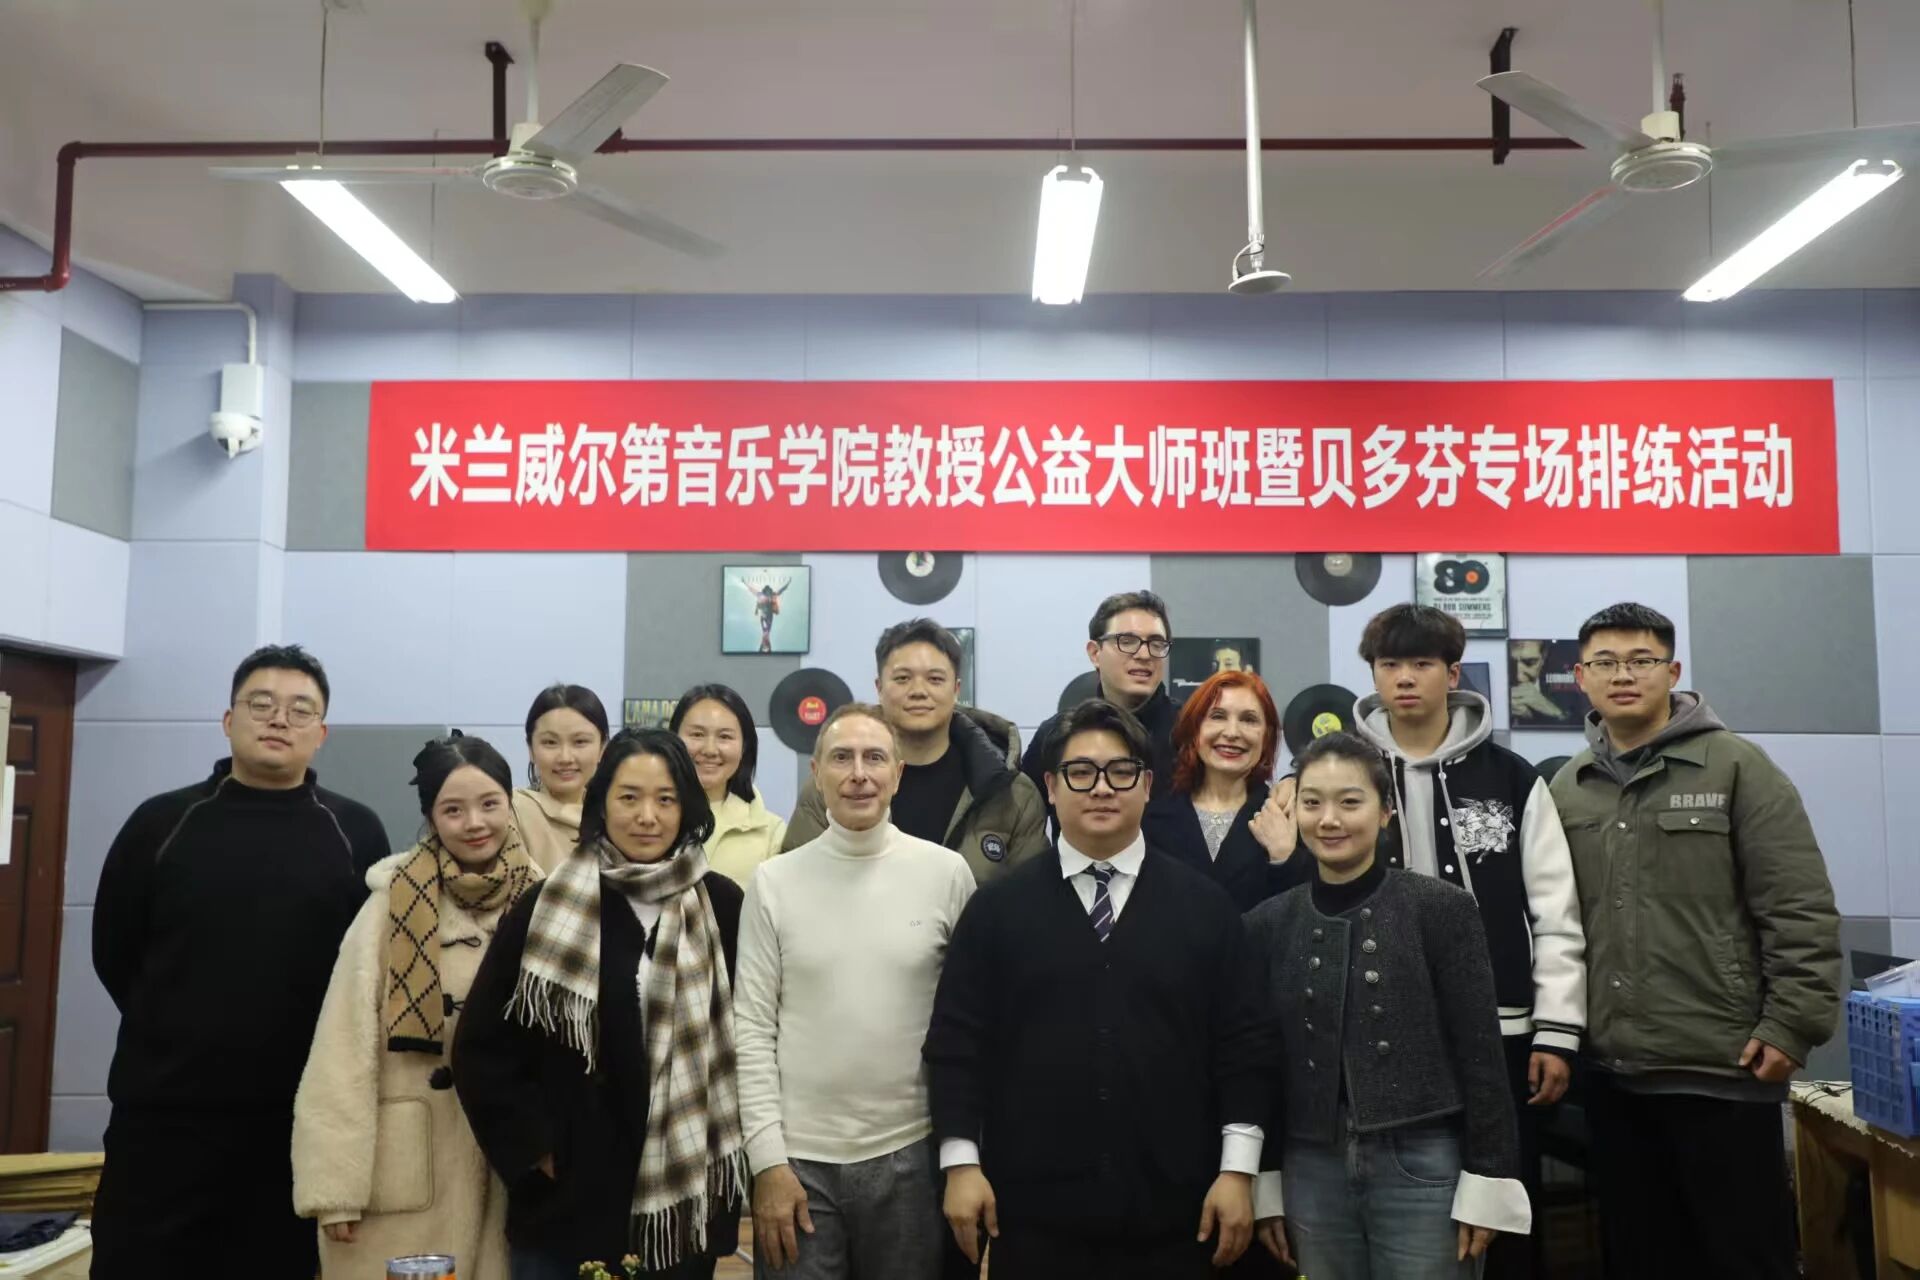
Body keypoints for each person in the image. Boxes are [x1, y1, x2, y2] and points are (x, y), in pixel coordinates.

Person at [926, 699, 1267, 1280]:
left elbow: (1245, 1046)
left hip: (1178, 1215)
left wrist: (1238, 1172)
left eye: (1121, 771)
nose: (1102, 788)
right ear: (1051, 787)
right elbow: (957, 1045)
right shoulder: (997, 910)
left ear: (1148, 785)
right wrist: (961, 1164)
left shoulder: (1207, 909)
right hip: (1031, 1216)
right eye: (1081, 772)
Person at [1550, 602, 1841, 1280]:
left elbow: (1798, 905)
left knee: (1744, 1257)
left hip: (1725, 1067)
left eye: (1642, 660)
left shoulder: (1736, 767)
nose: (1624, 675)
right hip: (1614, 1076)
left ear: (1673, 671)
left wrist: (1792, 1024)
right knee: (1643, 1258)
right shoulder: (1569, 786)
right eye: (1605, 662)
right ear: (1581, 677)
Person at [89, 644, 392, 1279]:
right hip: (165, 1118)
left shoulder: (355, 832)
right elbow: (114, 951)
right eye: (262, 704)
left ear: (321, 733)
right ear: (229, 720)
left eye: (300, 709)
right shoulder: (161, 823)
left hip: (292, 1123)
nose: (279, 719)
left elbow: (366, 970)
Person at [455, 730, 747, 1280]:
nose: (647, 816)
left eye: (665, 799)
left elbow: (751, 1038)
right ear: (602, 803)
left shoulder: (722, 904)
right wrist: (537, 1151)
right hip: (569, 1205)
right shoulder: (549, 905)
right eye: (629, 797)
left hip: (683, 1206)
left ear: (687, 806)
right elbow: (482, 1048)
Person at [1351, 603, 1586, 1279]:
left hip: (1501, 1028)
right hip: (1377, 1030)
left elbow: (1555, 910)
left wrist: (1557, 1032)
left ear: (1452, 674)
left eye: (1423, 663)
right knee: (1395, 1207)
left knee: (1502, 1204)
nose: (1405, 678)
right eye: (1390, 664)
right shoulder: (1345, 776)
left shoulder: (1511, 778)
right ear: (1374, 674)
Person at [1246, 732, 1528, 1278]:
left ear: (1384, 814)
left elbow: (1481, 1054)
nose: (1329, 819)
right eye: (1312, 802)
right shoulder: (1266, 924)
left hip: (1424, 1159)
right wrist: (1266, 1177)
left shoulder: (1441, 909)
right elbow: (1261, 1066)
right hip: (1310, 1164)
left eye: (1350, 802)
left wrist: (1490, 1173)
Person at [737, 703, 976, 1280]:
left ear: (898, 774)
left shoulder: (946, 875)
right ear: (816, 773)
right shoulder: (774, 882)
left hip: (911, 1154)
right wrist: (767, 1163)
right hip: (797, 1162)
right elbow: (751, 1029)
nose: (859, 774)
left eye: (875, 758)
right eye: (841, 758)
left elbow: (970, 1028)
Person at [294, 733, 540, 1278]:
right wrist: (334, 1188)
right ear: (431, 816)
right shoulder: (389, 905)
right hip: (406, 1163)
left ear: (510, 803)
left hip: (510, 1165)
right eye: (453, 810)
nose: (474, 823)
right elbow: (342, 1047)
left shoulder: (545, 901)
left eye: (490, 803)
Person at [784, 620, 1046, 883]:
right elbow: (797, 883)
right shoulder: (833, 786)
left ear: (956, 689)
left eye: (935, 679)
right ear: (879, 688)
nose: (919, 691)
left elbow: (1031, 896)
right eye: (902, 678)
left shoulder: (1012, 794)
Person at [1142, 669, 1310, 913]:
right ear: (1194, 729)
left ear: (1267, 736)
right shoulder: (1149, 817)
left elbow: (1305, 916)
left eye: (1249, 720)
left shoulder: (1289, 819)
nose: (1232, 733)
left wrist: (1285, 859)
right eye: (1218, 716)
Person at [1021, 590, 1180, 822]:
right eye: (1127, 641)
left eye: (1157, 644)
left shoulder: (1193, 732)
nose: (1145, 654)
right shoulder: (1054, 735)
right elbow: (1023, 822)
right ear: (1095, 653)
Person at [671, 682, 787, 887]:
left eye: (724, 737)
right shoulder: (647, 819)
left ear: (744, 747)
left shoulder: (771, 833)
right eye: (697, 734)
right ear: (673, 739)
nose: (710, 750)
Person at [512, 683, 610, 873]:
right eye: (550, 742)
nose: (565, 758)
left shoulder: (618, 817)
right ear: (530, 748)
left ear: (602, 747)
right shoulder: (513, 812)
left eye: (580, 742)